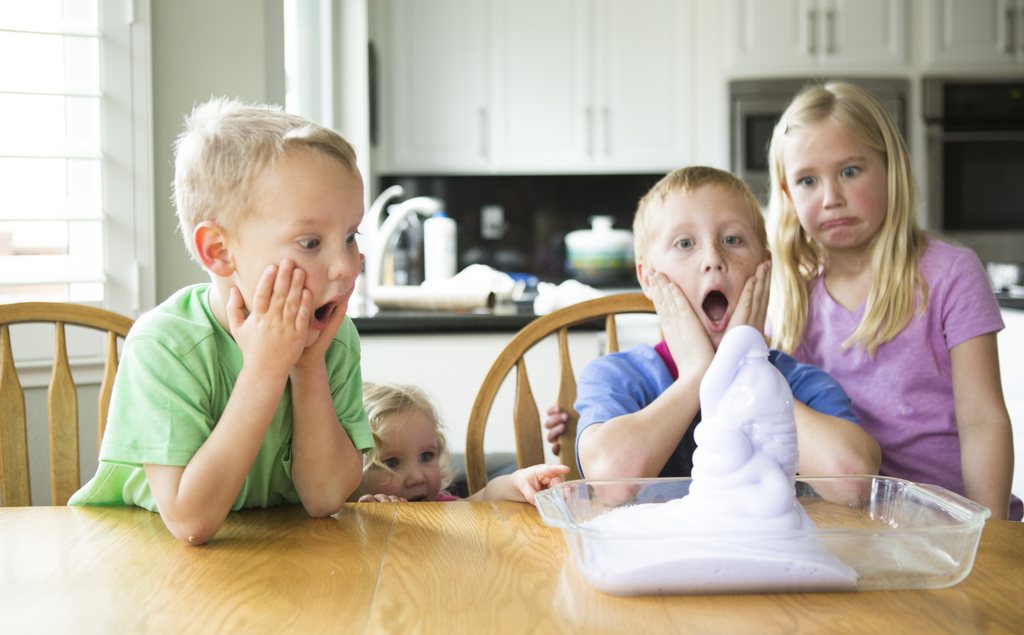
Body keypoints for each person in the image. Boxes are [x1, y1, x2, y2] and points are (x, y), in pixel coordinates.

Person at [69, 98, 374, 543]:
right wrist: (265, 369)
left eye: (349, 237)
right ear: (219, 251)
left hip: (272, 556)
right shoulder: (166, 345)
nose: (345, 265)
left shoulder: (332, 338)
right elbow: (190, 522)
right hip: (141, 556)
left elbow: (325, 498)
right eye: (310, 242)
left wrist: (306, 366)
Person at [766, 81, 1020, 521]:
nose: (832, 198)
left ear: (892, 168)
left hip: (951, 522)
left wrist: (990, 529)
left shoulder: (951, 273)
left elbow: (983, 421)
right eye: (808, 180)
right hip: (845, 524)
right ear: (788, 194)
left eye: (850, 171)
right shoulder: (789, 295)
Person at [548, 166, 881, 481]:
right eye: (685, 243)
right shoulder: (616, 376)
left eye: (732, 240)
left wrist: (744, 370)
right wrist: (697, 374)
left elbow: (853, 478)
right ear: (648, 278)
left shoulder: (798, 382)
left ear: (764, 267)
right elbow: (610, 476)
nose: (713, 259)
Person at [352, 382, 569, 504]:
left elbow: (486, 496)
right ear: (349, 469)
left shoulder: (441, 506)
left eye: (426, 457)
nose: (418, 477)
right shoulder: (343, 514)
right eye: (391, 463)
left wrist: (519, 480)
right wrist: (370, 518)